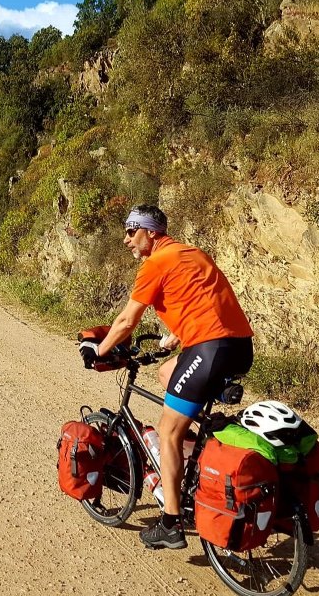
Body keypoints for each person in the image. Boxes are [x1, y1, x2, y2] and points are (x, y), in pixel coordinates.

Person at [79, 204, 254, 549]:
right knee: (165, 372)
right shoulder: (191, 253)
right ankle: (197, 448)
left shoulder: (154, 263)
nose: (126, 239)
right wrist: (174, 338)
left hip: (210, 349)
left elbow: (126, 322)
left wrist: (97, 352)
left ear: (151, 232)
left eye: (132, 231)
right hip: (238, 346)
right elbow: (201, 300)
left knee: (167, 431)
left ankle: (171, 522)